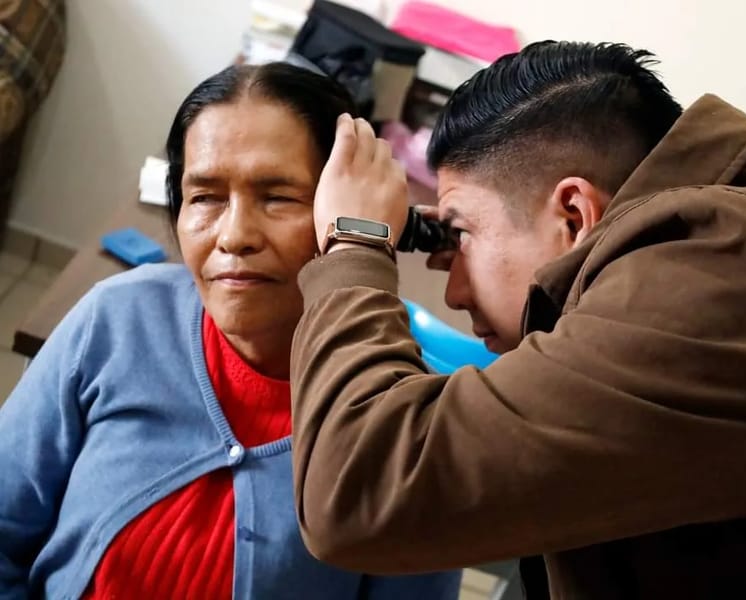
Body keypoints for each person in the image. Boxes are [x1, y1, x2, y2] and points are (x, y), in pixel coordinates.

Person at [288, 40, 746, 598]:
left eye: (460, 235)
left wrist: (354, 242)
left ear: (574, 215)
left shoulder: (726, 264)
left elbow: (359, 495)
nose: (454, 292)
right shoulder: (745, 234)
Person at [0, 62, 461, 599]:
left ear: (346, 208)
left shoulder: (402, 429)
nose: (234, 235)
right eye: (206, 197)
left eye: (278, 197)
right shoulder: (119, 321)